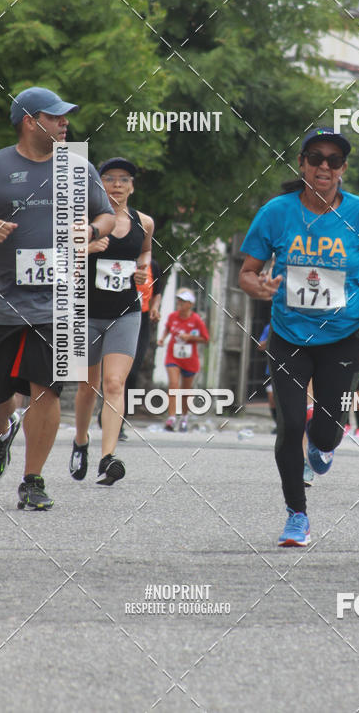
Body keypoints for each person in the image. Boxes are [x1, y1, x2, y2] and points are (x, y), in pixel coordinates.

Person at [239, 126, 359, 547]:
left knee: (326, 430)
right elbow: (247, 273)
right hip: (289, 334)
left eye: (334, 160)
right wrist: (259, 287)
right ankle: (296, 515)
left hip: (344, 337)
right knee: (289, 424)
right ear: (302, 164)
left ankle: (322, 447)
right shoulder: (276, 211)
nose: (324, 166)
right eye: (316, 158)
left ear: (343, 168)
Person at [0, 86, 114, 508]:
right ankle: (1, 431)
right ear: (29, 120)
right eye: (55, 117)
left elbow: (107, 214)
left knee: (47, 390)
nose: (65, 123)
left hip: (58, 303)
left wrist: (92, 231)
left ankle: (33, 481)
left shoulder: (78, 166)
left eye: (65, 117)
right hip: (0, 299)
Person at [70, 157, 153, 485]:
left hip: (126, 313)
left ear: (132, 186)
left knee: (115, 384)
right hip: (86, 312)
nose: (117, 184)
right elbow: (60, 256)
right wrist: (89, 248)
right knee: (87, 387)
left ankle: (108, 458)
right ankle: (80, 443)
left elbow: (145, 252)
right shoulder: (86, 220)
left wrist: (144, 267)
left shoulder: (143, 222)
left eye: (124, 179)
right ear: (98, 184)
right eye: (110, 178)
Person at [120, 256, 163, 438]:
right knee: (116, 372)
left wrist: (155, 307)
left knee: (133, 371)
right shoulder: (122, 259)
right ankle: (109, 412)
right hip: (119, 317)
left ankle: (121, 420)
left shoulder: (153, 265)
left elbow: (157, 292)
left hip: (142, 320)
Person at [158, 289, 209, 432]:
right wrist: (162, 338)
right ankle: (171, 418)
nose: (179, 303)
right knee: (173, 385)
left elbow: (205, 338)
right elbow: (167, 328)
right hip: (173, 356)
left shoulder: (196, 320)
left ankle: (184, 417)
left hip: (189, 359)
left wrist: (190, 337)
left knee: (186, 391)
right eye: (178, 300)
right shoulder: (172, 316)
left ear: (190, 304)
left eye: (182, 301)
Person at [258, 321, 277, 433]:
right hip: (270, 370)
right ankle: (277, 423)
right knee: (271, 398)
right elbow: (260, 346)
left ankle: (284, 425)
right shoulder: (269, 327)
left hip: (287, 369)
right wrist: (271, 338)